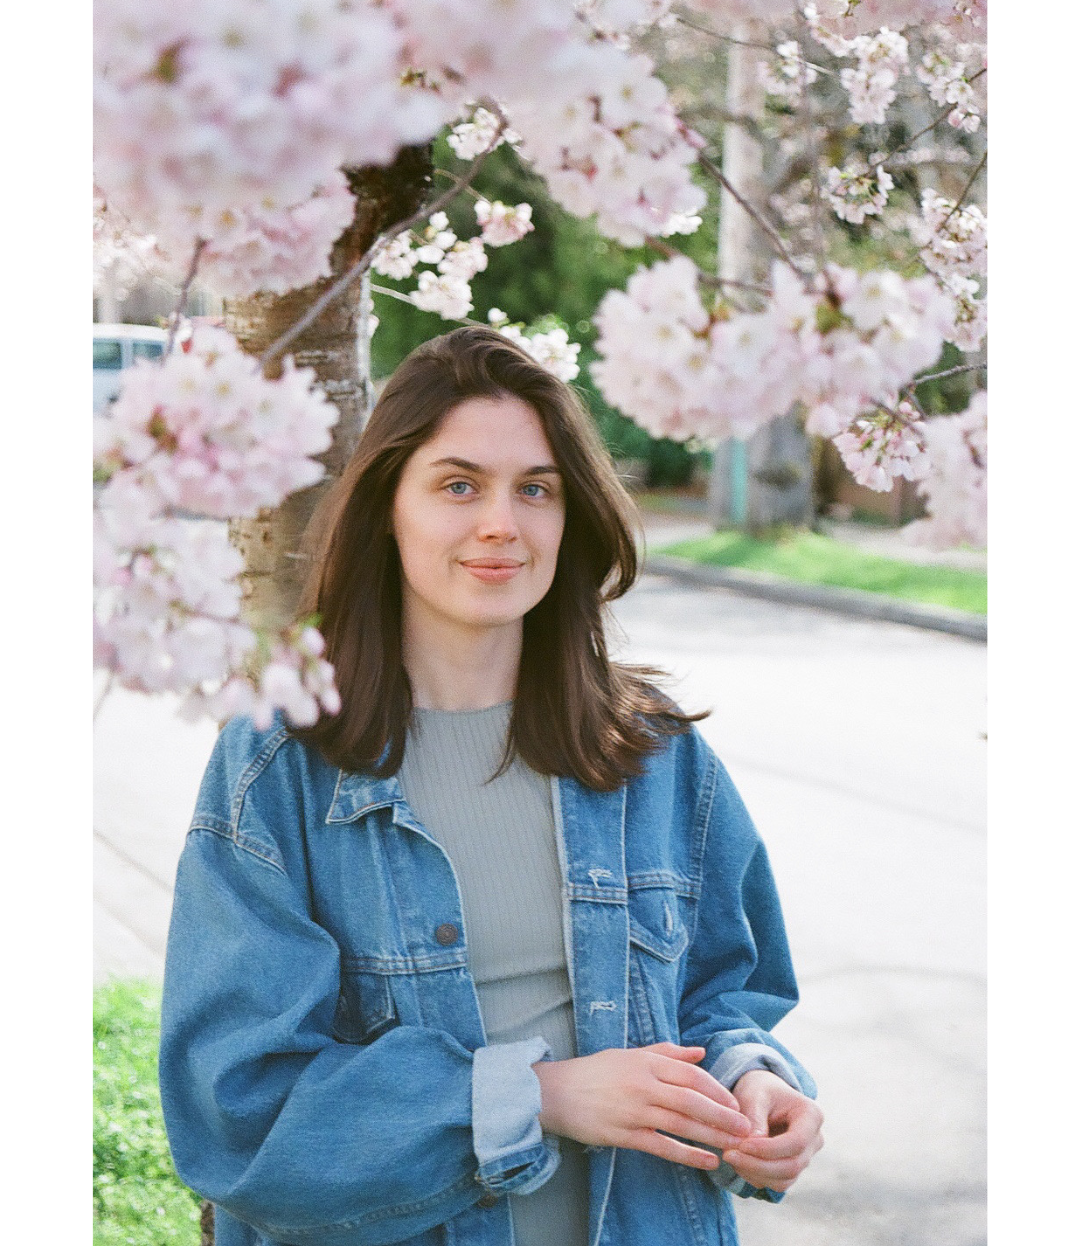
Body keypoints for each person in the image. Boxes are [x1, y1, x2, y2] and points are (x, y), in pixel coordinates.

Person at [159, 326, 824, 1246]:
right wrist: (541, 1098)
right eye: (459, 484)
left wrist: (756, 1080)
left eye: (536, 489)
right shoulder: (280, 764)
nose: (501, 524)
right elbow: (240, 1113)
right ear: (388, 507)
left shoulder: (653, 752)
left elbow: (721, 993)